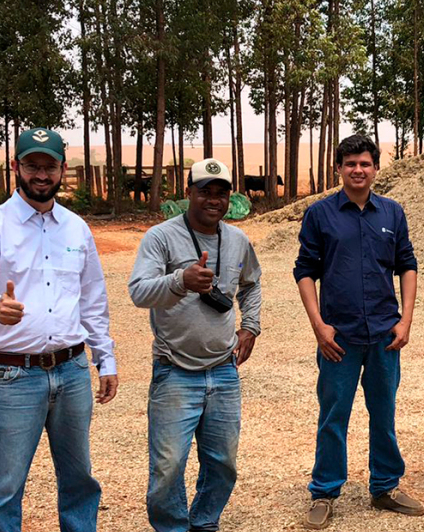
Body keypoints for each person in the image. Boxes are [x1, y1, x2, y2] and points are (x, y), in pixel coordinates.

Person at [0, 127, 118, 532]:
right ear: (16, 167)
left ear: (61, 169)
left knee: (79, 480)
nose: (41, 174)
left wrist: (105, 359)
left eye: (48, 166)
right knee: (4, 488)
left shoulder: (76, 229)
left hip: (72, 372)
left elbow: (92, 299)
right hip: (14, 374)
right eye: (32, 165)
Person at [294, 135, 423, 530]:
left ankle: (384, 487)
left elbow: (408, 265)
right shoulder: (320, 215)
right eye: (350, 163)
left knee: (383, 413)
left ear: (375, 169)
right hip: (339, 338)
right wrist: (319, 326)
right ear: (338, 168)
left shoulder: (392, 213)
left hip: (385, 334)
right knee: (334, 414)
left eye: (365, 163)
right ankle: (324, 491)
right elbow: (304, 271)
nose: (358, 170)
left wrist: (406, 320)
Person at [128, 158, 262, 532]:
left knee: (223, 463)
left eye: (221, 192)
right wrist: (181, 280)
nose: (213, 200)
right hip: (174, 372)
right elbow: (139, 292)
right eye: (205, 191)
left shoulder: (237, 240)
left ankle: (204, 523)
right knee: (168, 467)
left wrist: (250, 327)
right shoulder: (161, 237)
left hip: (223, 371)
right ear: (189, 192)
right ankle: (172, 527)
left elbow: (251, 285)